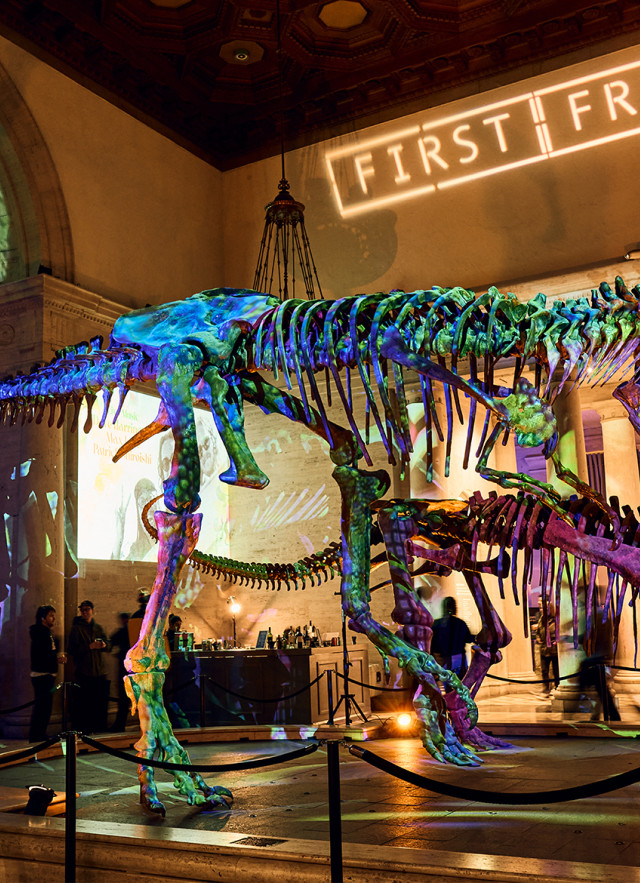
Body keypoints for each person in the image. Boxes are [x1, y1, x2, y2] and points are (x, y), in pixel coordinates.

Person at [67, 600, 111, 734]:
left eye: (87, 610)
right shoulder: (76, 629)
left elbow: (109, 646)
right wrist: (88, 647)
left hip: (99, 672)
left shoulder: (98, 628)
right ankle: (85, 731)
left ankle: (98, 730)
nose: (85, 612)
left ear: (92, 611)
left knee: (98, 705)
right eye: (82, 610)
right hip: (84, 672)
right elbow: (72, 650)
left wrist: (104, 645)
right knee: (84, 706)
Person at [28, 605, 66, 742]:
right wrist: (56, 658)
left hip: (47, 675)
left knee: (45, 708)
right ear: (43, 618)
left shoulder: (46, 632)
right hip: (42, 675)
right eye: (50, 615)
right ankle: (37, 736)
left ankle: (40, 734)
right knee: (42, 708)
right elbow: (41, 655)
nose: (53, 618)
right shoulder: (40, 633)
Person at [431, 596, 475, 678]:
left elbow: (433, 645)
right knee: (461, 685)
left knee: (448, 686)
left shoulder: (436, 624)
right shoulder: (460, 623)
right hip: (459, 659)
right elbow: (468, 638)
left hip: (444, 660)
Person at [109, 612, 131, 731]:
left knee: (123, 698)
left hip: (125, 669)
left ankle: (120, 724)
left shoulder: (122, 631)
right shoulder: (134, 631)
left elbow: (111, 642)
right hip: (134, 669)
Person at [535, 597, 559, 697]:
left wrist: (556, 641)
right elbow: (538, 632)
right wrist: (538, 638)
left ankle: (557, 687)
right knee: (544, 670)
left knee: (555, 670)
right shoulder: (541, 619)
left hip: (554, 650)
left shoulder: (555, 619)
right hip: (544, 649)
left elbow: (559, 632)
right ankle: (546, 689)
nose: (541, 610)